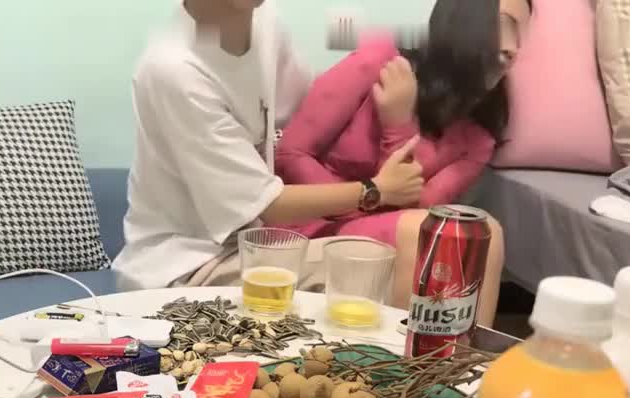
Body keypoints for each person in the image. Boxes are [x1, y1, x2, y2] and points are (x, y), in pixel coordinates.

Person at [114, 0, 424, 293]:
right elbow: (267, 205)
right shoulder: (174, 71)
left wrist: (395, 117)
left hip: (256, 243)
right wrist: (375, 190)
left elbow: (308, 112)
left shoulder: (264, 22)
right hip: (186, 269)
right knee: (410, 243)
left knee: (426, 238)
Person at [275, 0, 532, 326]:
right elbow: (291, 154)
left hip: (389, 230)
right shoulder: (381, 62)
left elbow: (419, 208)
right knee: (420, 234)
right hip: (309, 222)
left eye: (522, 34)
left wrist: (398, 125)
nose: (513, 47)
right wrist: (368, 195)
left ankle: (467, 354)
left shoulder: (479, 137)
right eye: (505, 24)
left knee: (483, 234)